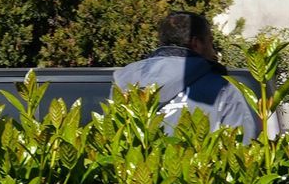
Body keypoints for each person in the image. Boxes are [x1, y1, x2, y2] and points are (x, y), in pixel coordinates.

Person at [111, 10, 260, 141]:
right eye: (210, 42)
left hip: (137, 171)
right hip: (201, 172)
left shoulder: (124, 82)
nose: (214, 52)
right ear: (196, 43)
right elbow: (241, 146)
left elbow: (114, 138)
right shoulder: (222, 88)